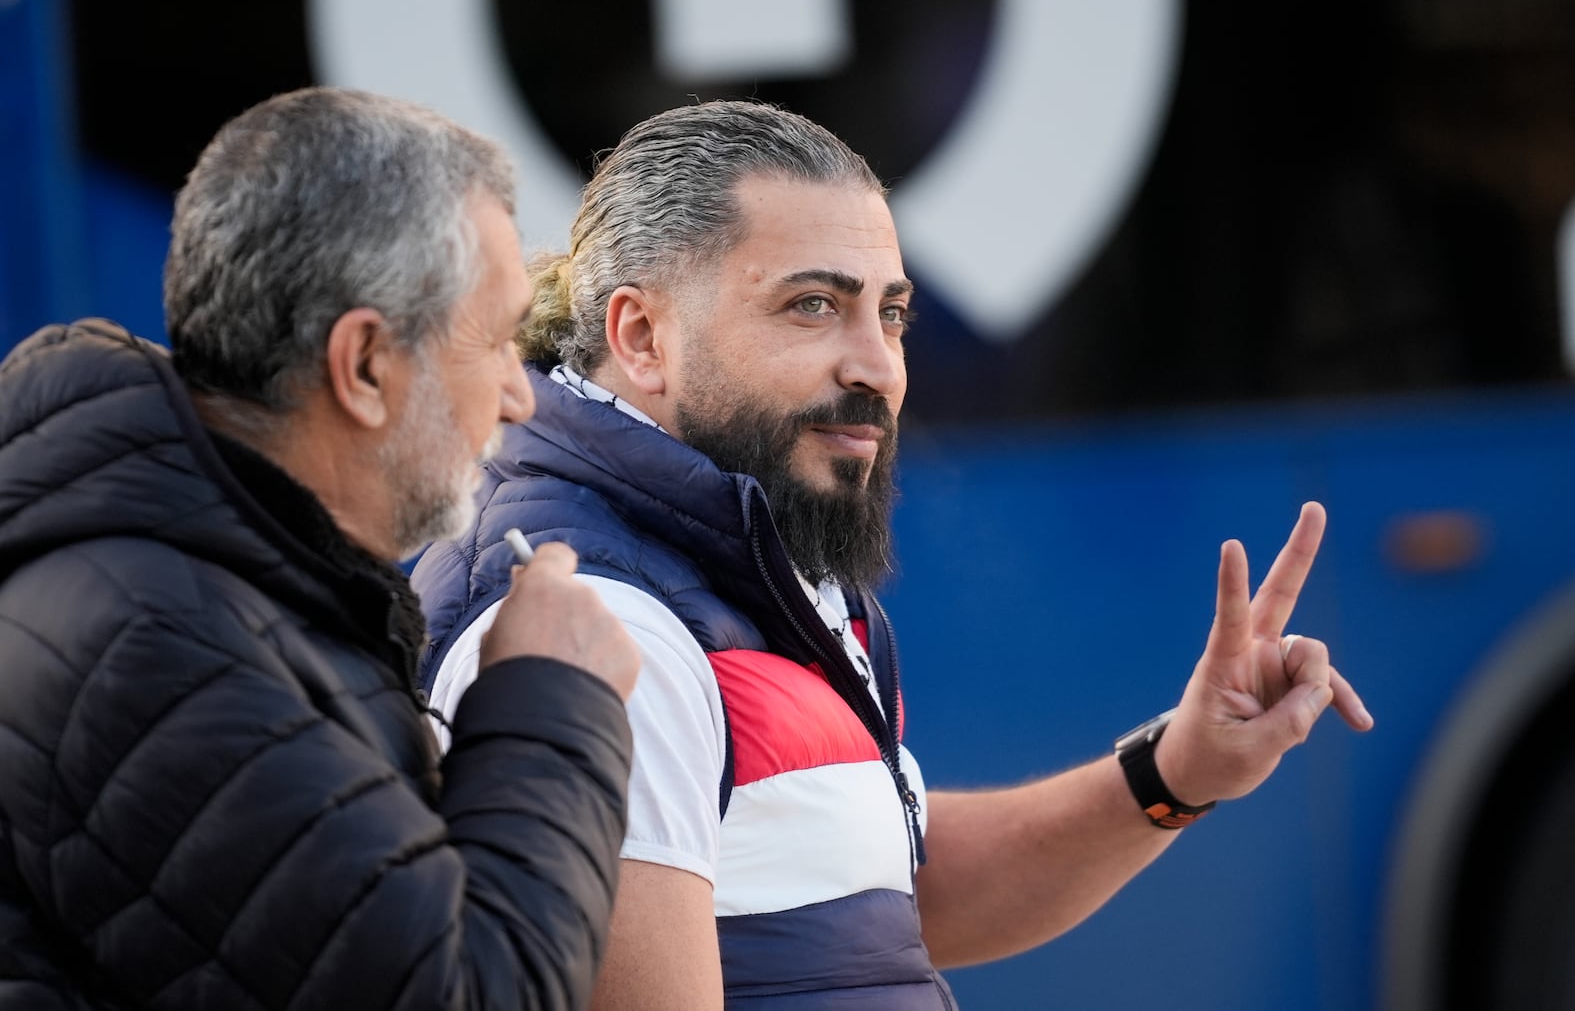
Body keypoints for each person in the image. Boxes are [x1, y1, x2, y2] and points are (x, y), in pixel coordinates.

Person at [412, 100, 1375, 1009]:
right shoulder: (602, 623)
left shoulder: (737, 560)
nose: (875, 364)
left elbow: (881, 894)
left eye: (892, 314)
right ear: (642, 336)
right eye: (813, 307)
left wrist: (1177, 773)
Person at [0, 86, 641, 1010]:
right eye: (497, 342)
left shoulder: (208, 586)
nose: (520, 395)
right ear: (366, 366)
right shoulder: (154, 642)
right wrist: (554, 694)